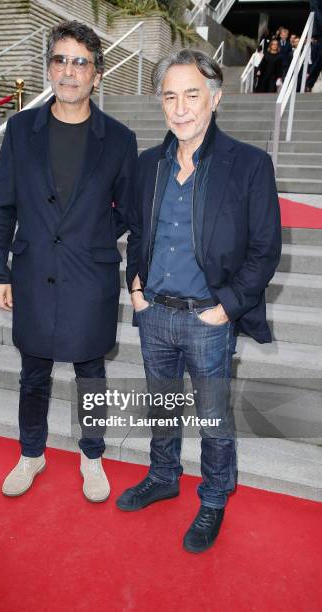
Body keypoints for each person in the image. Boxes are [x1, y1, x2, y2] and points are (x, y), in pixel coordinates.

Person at [119, 49, 281, 553]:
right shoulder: (148, 165)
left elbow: (264, 249)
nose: (181, 107)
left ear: (215, 98)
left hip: (208, 319)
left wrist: (227, 307)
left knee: (213, 417)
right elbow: (139, 232)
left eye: (192, 94)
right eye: (170, 95)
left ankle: (213, 497)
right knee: (162, 409)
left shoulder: (249, 165)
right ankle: (164, 475)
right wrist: (136, 288)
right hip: (155, 315)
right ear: (160, 103)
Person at [0, 21, 137, 501]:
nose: (69, 71)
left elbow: (129, 212)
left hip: (89, 276)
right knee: (34, 371)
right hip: (31, 274)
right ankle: (32, 453)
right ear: (49, 67)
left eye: (80, 62)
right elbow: (2, 205)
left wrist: (91, 240)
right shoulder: (19, 130)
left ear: (97, 74)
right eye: (60, 60)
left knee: (91, 373)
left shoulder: (118, 138)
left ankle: (92, 457)